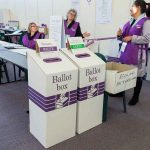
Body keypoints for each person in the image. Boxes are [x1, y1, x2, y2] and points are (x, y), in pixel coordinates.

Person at [117, 0, 150, 106]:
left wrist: (132, 37)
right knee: (124, 73)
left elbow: (147, 39)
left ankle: (135, 97)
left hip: (138, 55)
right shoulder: (130, 21)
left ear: (139, 7)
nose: (131, 8)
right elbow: (124, 37)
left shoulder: (146, 22)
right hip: (126, 52)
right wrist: (119, 35)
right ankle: (120, 92)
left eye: (133, 6)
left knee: (138, 75)